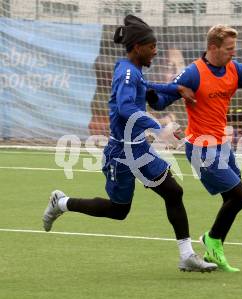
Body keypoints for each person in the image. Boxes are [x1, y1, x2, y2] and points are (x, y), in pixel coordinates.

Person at [42, 15, 217, 273]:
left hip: (139, 148)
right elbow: (124, 108)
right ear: (137, 47)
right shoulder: (126, 72)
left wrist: (176, 89)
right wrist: (159, 128)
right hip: (120, 153)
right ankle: (61, 203)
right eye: (152, 46)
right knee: (118, 210)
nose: (155, 51)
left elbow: (146, 87)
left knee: (173, 192)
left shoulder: (133, 71)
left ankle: (187, 255)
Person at [147, 24, 242, 272]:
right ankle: (212, 241)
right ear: (213, 47)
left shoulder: (234, 69)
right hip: (201, 147)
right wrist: (148, 93)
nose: (233, 53)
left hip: (222, 145)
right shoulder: (193, 73)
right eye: (229, 49)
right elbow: (161, 101)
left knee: (234, 198)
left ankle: (213, 247)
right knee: (240, 195)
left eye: (234, 48)